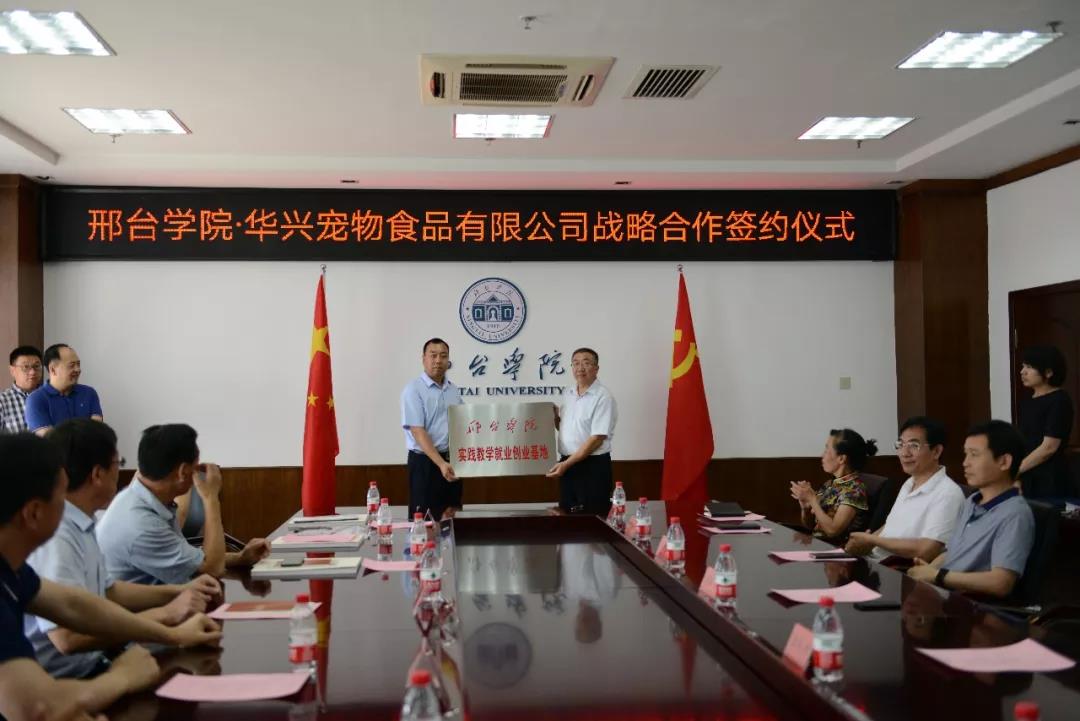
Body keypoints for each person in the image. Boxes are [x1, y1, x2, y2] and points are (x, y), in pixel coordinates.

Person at [0, 433, 222, 718]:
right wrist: (122, 677)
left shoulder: (13, 570)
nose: (67, 507)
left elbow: (74, 605)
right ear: (33, 513)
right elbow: (39, 707)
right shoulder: (55, 543)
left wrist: (173, 633)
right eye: (61, 496)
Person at [97, 424, 269, 585]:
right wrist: (211, 497)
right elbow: (212, 569)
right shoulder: (142, 522)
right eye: (196, 466)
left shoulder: (143, 499)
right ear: (182, 472)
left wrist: (241, 558)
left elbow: (194, 562)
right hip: (144, 607)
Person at [907, 421, 1035, 599]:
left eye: (974, 455)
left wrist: (938, 576)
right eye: (966, 454)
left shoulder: (1014, 514)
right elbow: (952, 552)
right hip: (942, 594)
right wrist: (928, 570)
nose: (965, 463)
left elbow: (1001, 583)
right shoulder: (971, 502)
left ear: (1004, 462)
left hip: (971, 606)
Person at [845, 417, 965, 562]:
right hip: (875, 560)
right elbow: (891, 526)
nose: (904, 453)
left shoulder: (948, 494)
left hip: (899, 569)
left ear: (936, 451)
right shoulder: (909, 483)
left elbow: (927, 550)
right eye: (901, 444)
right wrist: (866, 543)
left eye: (914, 445)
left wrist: (872, 540)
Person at [546, 348, 618, 516]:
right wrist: (555, 418)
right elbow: (567, 430)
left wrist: (566, 464)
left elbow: (597, 439)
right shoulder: (569, 393)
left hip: (592, 466)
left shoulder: (603, 397)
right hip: (567, 464)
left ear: (596, 368)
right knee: (567, 514)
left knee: (592, 518)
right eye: (576, 363)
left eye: (586, 363)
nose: (580, 368)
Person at [401, 338, 464, 520]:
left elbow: (464, 422)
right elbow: (417, 431)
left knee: (450, 518)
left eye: (443, 356)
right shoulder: (413, 390)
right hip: (425, 464)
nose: (438, 360)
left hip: (451, 462)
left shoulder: (453, 390)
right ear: (423, 359)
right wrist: (441, 463)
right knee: (424, 521)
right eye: (433, 355)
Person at [790, 429, 876, 544]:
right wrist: (805, 507)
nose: (822, 455)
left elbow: (832, 531)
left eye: (827, 450)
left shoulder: (855, 490)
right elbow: (811, 526)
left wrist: (813, 500)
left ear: (841, 459)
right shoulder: (829, 484)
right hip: (817, 544)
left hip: (835, 550)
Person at [1016, 345, 1074, 499]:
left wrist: (1016, 470)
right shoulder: (1027, 401)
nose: (1023, 372)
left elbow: (1049, 447)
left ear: (1048, 372)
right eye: (1023, 366)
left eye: (1029, 367)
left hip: (1049, 478)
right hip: (1027, 474)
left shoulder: (1059, 400)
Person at [24, 345, 102, 437]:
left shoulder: (89, 393)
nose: (78, 369)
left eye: (78, 364)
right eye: (72, 365)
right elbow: (49, 439)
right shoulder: (36, 399)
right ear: (53, 369)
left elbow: (96, 433)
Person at [1, 346, 43, 434]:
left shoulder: (51, 396)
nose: (32, 372)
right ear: (12, 370)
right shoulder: (2, 401)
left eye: (36, 366)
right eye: (26, 367)